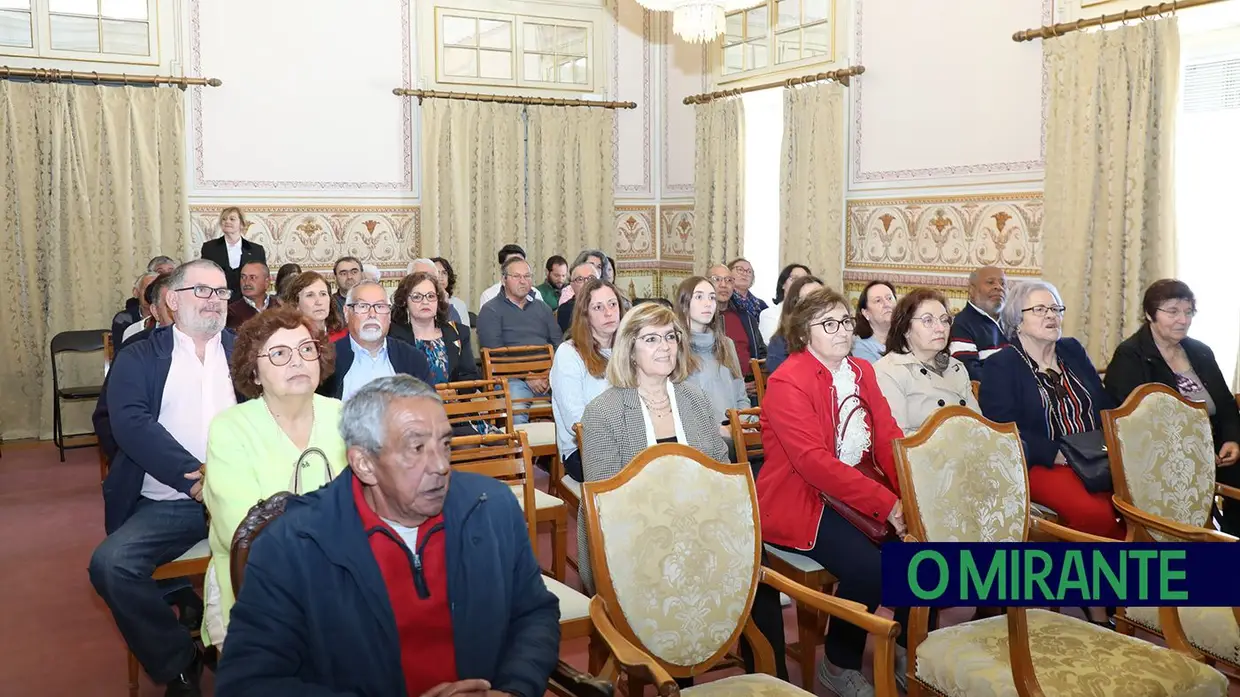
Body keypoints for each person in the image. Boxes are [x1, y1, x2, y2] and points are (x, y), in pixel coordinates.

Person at [215, 376, 561, 697]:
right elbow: (248, 682)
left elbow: (534, 613)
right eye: (416, 448)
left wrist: (514, 690)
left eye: (445, 444)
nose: (440, 465)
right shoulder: (293, 544)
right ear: (364, 463)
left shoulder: (491, 508)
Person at [577, 303, 788, 682]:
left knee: (760, 576)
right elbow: (609, 506)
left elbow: (720, 474)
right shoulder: (604, 411)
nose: (664, 347)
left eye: (671, 337)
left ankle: (771, 682)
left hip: (699, 530)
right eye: (651, 339)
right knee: (673, 584)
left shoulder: (693, 400)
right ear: (629, 349)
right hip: (633, 543)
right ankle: (677, 680)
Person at [90, 259, 239, 696]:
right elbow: (131, 425)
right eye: (203, 291)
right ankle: (179, 659)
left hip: (245, 495)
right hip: (174, 504)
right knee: (111, 565)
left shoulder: (246, 349)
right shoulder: (139, 356)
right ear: (173, 300)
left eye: (222, 293)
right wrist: (195, 479)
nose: (215, 301)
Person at [756, 286, 912, 696]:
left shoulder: (862, 370)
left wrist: (909, 497)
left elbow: (888, 438)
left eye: (845, 321)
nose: (843, 331)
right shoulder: (787, 380)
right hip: (801, 497)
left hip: (858, 488)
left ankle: (905, 648)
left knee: (919, 551)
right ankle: (839, 664)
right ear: (805, 333)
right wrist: (887, 504)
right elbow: (813, 463)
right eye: (830, 324)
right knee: (872, 569)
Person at [201, 306, 346, 648]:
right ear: (253, 372)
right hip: (255, 588)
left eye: (306, 349)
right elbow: (245, 532)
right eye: (279, 354)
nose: (297, 361)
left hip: (346, 580)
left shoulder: (343, 415)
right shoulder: (229, 429)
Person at [979, 280, 1123, 540]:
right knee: (1095, 514)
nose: (1051, 315)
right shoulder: (1002, 365)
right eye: (1040, 309)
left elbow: (1104, 403)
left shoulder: (1072, 350)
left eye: (1056, 309)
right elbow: (1002, 430)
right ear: (1017, 320)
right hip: (1044, 463)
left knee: (1141, 502)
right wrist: (1055, 453)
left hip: (1095, 457)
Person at [1105, 279, 1240, 535]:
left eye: (1188, 312)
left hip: (1216, 449)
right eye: (1173, 311)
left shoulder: (1200, 351)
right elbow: (1135, 425)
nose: (1183, 320)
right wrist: (1195, 454)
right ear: (1149, 314)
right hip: (1165, 455)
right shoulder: (1130, 356)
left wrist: (1233, 439)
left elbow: (1225, 404)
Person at [549, 278, 624, 482]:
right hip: (583, 450)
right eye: (598, 307)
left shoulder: (629, 349)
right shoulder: (569, 353)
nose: (608, 312)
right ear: (585, 315)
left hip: (629, 441)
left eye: (612, 304)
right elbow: (576, 418)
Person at [874, 289, 977, 435]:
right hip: (925, 455)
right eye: (928, 320)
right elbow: (898, 439)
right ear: (906, 329)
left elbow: (979, 426)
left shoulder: (956, 367)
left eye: (944, 320)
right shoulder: (887, 371)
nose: (941, 328)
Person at [477, 257, 563, 424]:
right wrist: (527, 376)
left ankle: (569, 449)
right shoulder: (490, 311)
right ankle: (522, 449)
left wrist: (547, 375)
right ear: (504, 279)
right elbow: (495, 356)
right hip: (511, 379)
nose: (523, 281)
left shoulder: (542, 308)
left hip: (548, 377)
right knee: (516, 409)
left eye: (527, 276)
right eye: (516, 276)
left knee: (575, 399)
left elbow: (558, 345)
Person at [318, 281, 432, 401]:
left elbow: (430, 411)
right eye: (362, 306)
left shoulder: (412, 359)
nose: (372, 314)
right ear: (346, 313)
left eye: (380, 306)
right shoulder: (328, 359)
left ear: (389, 315)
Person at [676, 276, 747, 439]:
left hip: (735, 436)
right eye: (699, 297)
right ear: (684, 303)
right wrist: (719, 432)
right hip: (698, 441)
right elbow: (678, 410)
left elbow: (741, 397)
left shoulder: (726, 344)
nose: (708, 303)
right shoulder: (674, 347)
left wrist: (741, 426)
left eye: (712, 297)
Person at [388, 271, 479, 385]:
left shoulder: (458, 332)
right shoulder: (393, 336)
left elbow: (470, 376)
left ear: (438, 300)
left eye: (431, 296)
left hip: (454, 400)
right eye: (417, 297)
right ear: (405, 301)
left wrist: (452, 393)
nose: (425, 302)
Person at [709, 263, 766, 382]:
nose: (723, 285)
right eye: (717, 280)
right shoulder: (701, 319)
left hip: (752, 388)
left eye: (729, 280)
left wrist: (759, 380)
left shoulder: (747, 318)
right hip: (715, 390)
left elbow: (761, 353)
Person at [950, 265, 1008, 380]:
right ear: (972, 290)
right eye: (990, 282)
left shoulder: (1014, 322)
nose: (998, 287)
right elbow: (970, 374)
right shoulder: (961, 325)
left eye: (1003, 284)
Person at [200, 207, 267, 300]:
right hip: (219, 299)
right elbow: (205, 276)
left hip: (247, 302)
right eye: (224, 219)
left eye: (232, 219)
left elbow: (261, 277)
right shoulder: (209, 248)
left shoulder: (256, 250)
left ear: (241, 224)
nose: (227, 222)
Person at [764, 274, 824, 374]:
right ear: (794, 307)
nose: (817, 304)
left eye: (822, 298)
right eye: (809, 299)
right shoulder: (779, 343)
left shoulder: (837, 336)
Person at [281, 271, 347, 343]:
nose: (319, 302)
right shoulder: (288, 339)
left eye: (323, 294)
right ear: (296, 304)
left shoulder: (345, 336)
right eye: (310, 295)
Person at [759, 263, 810, 342]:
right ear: (783, 284)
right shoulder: (769, 314)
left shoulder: (814, 313)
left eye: (805, 280)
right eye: (794, 279)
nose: (799, 283)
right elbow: (771, 346)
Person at [852, 280, 896, 363]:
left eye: (889, 298)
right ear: (866, 313)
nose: (886, 304)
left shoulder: (907, 335)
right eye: (878, 300)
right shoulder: (859, 346)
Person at [478, 244, 534, 310]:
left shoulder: (536, 294)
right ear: (502, 267)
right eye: (512, 262)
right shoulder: (489, 295)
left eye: (520, 262)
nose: (517, 266)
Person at [225, 261, 274, 330]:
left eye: (252, 277)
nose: (246, 282)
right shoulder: (231, 313)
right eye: (243, 277)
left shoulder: (281, 308)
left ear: (267, 282)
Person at [557, 259, 601, 333]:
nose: (587, 283)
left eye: (591, 278)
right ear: (572, 286)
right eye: (580, 279)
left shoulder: (609, 304)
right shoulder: (566, 309)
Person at [431, 256, 470, 327]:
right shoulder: (424, 303)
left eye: (444, 273)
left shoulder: (459, 304)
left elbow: (463, 334)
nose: (440, 277)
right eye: (436, 273)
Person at [728, 258, 768, 324]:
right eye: (740, 269)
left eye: (749, 271)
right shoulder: (725, 301)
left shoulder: (761, 305)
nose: (745, 274)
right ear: (729, 273)